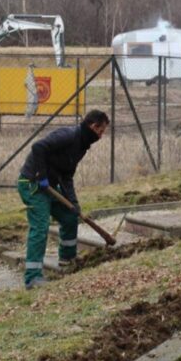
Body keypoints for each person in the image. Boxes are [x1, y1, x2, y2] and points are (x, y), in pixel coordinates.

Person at [17, 109, 110, 289]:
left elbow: (67, 176)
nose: (101, 136)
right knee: (41, 226)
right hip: (32, 183)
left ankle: (67, 260)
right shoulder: (68, 135)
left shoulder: (81, 147)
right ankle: (33, 277)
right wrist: (42, 176)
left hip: (50, 187)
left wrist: (73, 204)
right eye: (101, 131)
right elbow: (38, 147)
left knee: (69, 217)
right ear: (93, 126)